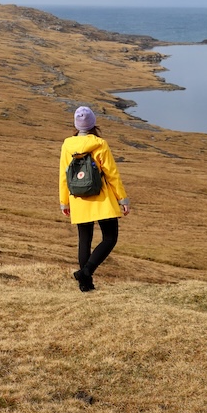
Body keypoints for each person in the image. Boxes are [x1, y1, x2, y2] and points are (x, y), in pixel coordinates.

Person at [59, 105, 130, 292]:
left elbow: (63, 175)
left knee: (85, 240)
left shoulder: (67, 145)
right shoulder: (100, 143)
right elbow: (112, 173)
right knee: (110, 237)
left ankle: (85, 284)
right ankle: (86, 273)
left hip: (78, 198)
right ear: (92, 124)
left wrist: (64, 201)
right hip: (101, 197)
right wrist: (123, 199)